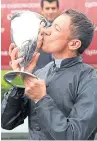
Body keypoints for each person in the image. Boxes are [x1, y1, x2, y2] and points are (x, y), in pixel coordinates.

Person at [1, 9, 97, 140]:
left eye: (55, 28)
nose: (45, 31)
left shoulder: (89, 79)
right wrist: (22, 75)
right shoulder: (40, 72)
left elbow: (74, 136)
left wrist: (41, 99)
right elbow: (7, 123)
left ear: (74, 44)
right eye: (50, 25)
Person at [32, 0, 59, 72]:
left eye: (53, 8)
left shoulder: (66, 28)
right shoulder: (33, 29)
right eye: (47, 8)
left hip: (61, 76)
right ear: (42, 10)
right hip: (38, 74)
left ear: (58, 9)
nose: (50, 11)